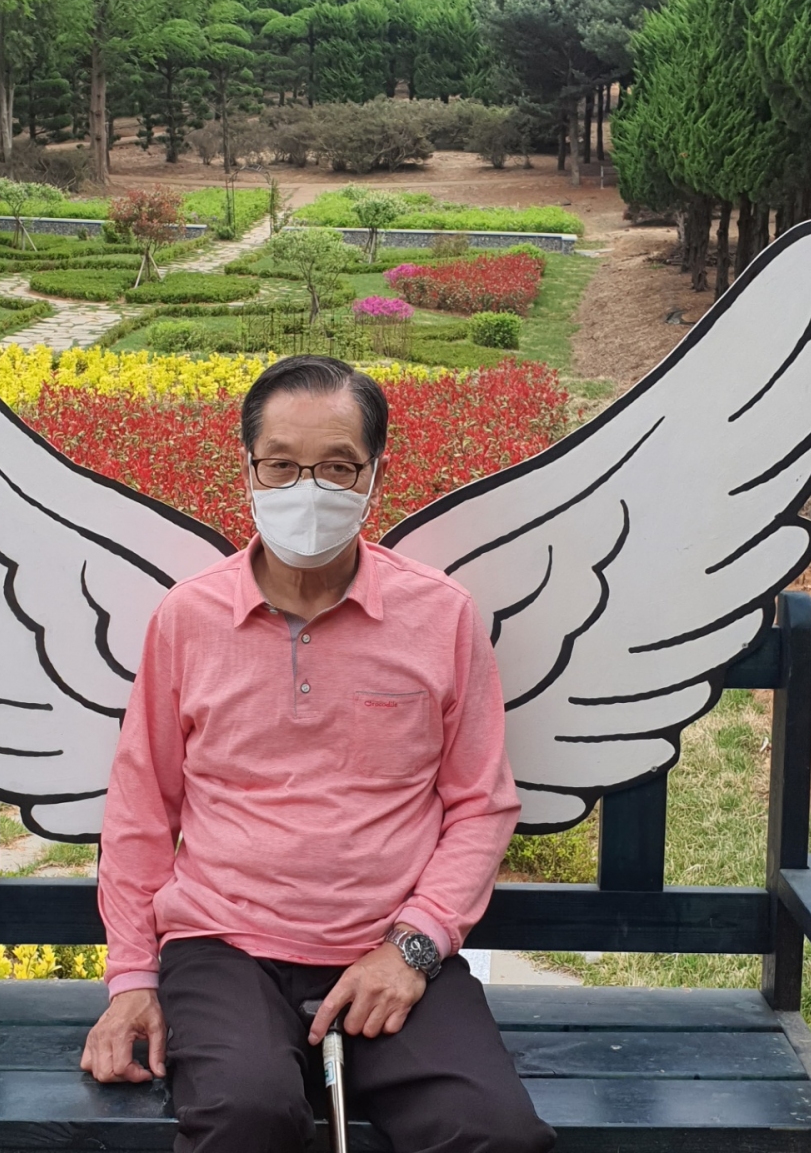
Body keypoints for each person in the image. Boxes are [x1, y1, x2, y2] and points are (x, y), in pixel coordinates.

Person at [83, 355, 557, 1153]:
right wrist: (131, 980)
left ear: (375, 476)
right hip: (224, 944)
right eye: (281, 465)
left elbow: (481, 805)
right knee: (248, 1116)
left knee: (494, 1134)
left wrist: (412, 948)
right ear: (248, 470)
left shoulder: (440, 616)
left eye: (337, 467)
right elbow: (140, 812)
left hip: (388, 945)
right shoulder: (188, 619)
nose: (308, 490)